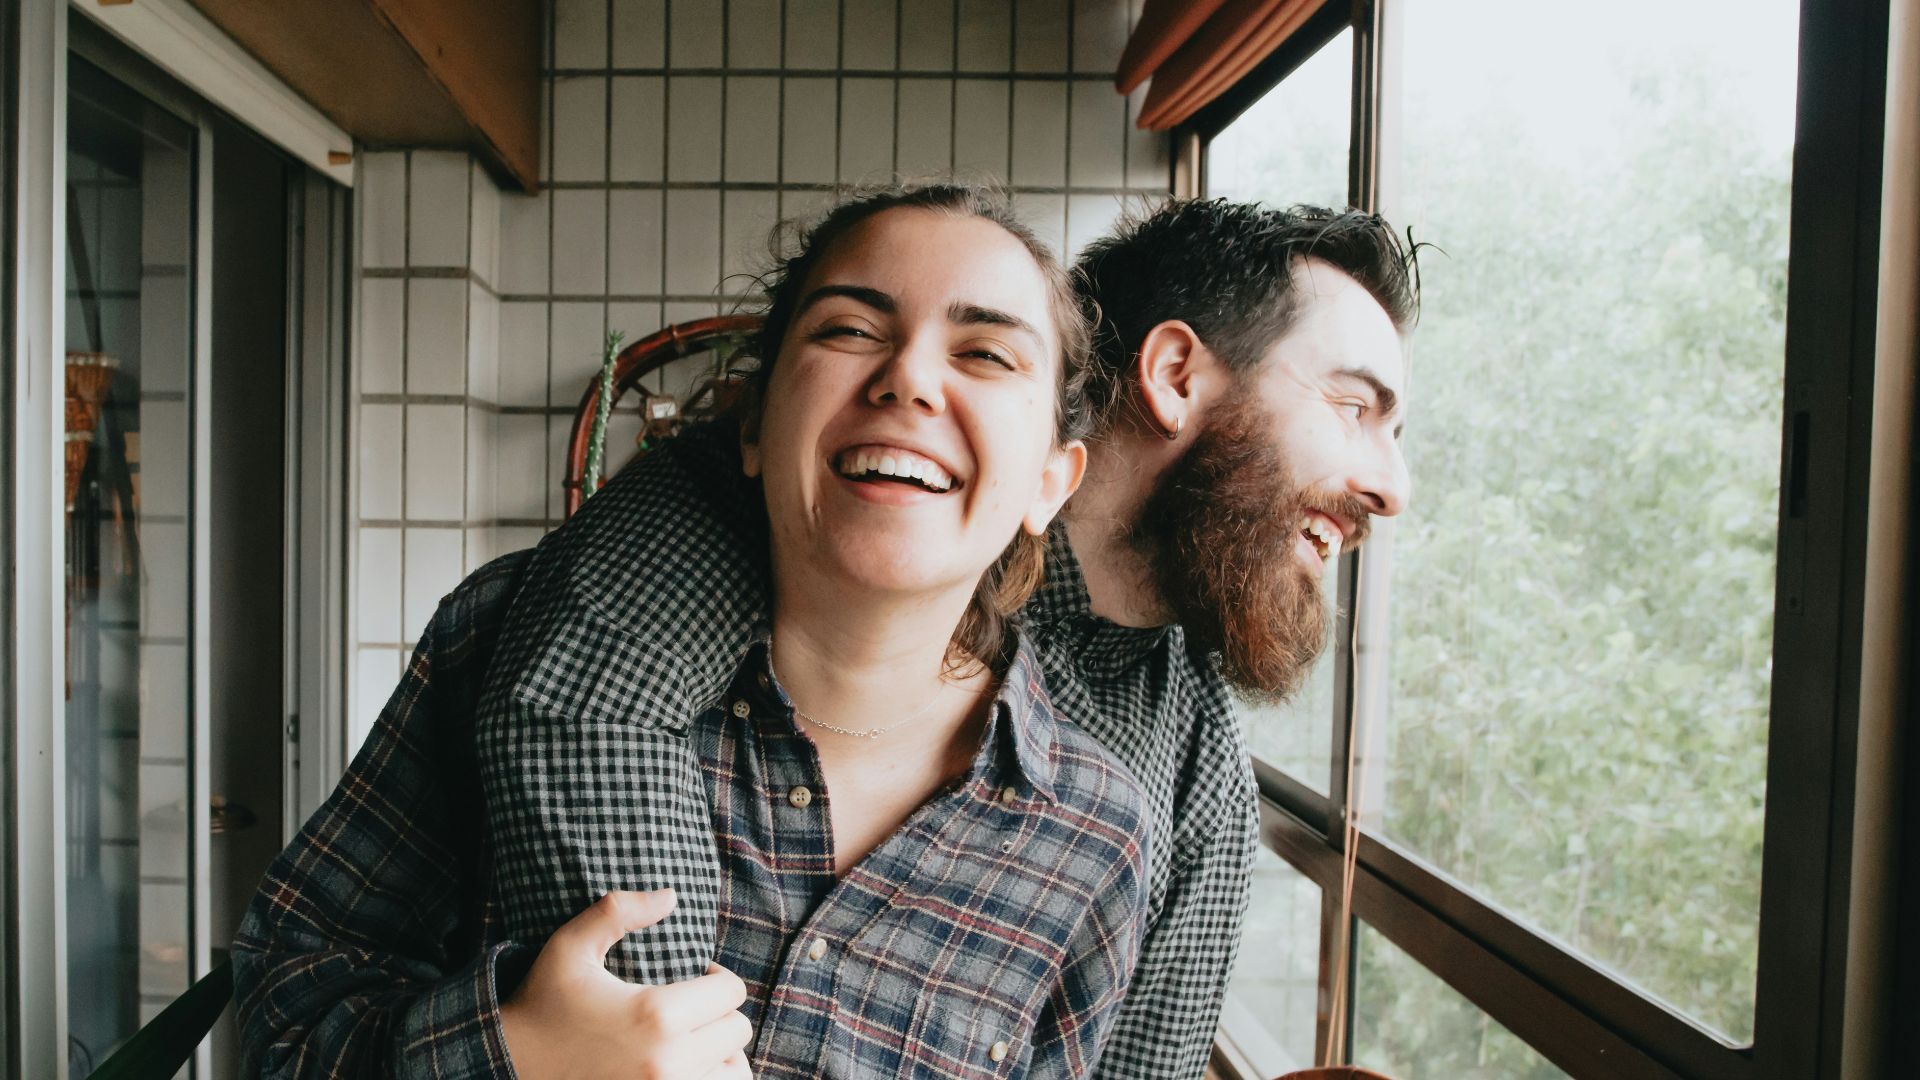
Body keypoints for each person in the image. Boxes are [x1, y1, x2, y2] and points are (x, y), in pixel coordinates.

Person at [482, 198, 1419, 1079]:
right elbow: (570, 715)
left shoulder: (1191, 776)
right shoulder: (701, 530)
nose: (1393, 485)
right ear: (1173, 376)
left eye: (984, 355)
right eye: (1354, 408)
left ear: (1060, 471)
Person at [234, 185, 1153, 1079]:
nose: (909, 376)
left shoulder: (1093, 838)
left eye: (987, 353)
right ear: (752, 428)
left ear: (1051, 482)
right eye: (849, 329)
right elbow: (283, 1011)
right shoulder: (499, 640)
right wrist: (508, 1053)